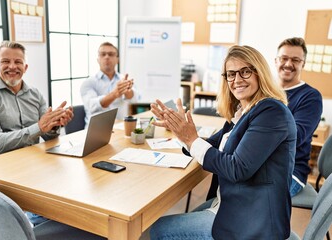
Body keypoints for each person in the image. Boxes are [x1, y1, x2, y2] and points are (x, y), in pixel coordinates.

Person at [149, 45, 296, 239]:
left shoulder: (271, 112)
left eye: (244, 72)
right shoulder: (241, 113)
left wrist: (191, 139)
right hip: (231, 202)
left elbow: (237, 168)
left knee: (159, 230)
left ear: (259, 73)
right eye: (230, 74)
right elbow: (208, 144)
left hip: (254, 218)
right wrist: (181, 131)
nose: (236, 80)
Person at [0, 40, 74, 225]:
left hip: (32, 164)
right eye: (5, 61)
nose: (12, 66)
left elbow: (48, 136)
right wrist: (38, 127)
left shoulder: (35, 94)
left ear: (25, 67)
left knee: (72, 180)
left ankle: (43, 223)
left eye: (18, 62)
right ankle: (34, 224)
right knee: (56, 203)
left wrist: (54, 125)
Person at [275, 37, 323, 197]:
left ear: (303, 63)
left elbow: (294, 136)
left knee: (251, 201)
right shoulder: (266, 92)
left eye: (295, 60)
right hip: (260, 164)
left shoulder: (310, 96)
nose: (288, 64)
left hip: (290, 172)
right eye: (284, 58)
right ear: (276, 61)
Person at [80, 42, 137, 125]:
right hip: (97, 130)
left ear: (117, 59)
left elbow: (134, 100)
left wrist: (128, 92)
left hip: (121, 128)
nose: (107, 57)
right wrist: (114, 94)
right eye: (103, 54)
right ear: (98, 59)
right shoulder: (88, 83)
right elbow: (92, 106)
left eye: (111, 54)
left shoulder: (124, 80)